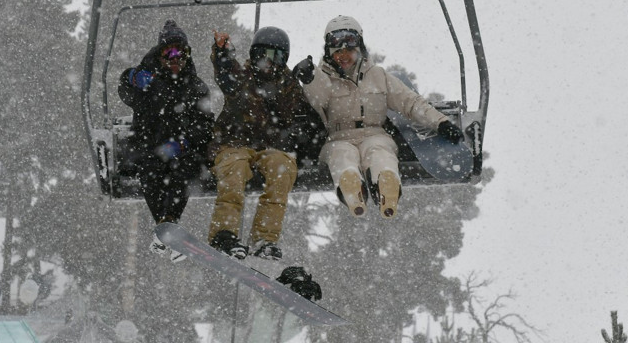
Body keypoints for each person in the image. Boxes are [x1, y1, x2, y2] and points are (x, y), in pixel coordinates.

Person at [292, 15, 464, 219]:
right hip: (338, 137)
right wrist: (309, 79)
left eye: (349, 51)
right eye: (338, 52)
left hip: (374, 133)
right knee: (341, 155)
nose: (344, 57)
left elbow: (410, 102)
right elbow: (317, 100)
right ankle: (351, 187)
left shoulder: (378, 76)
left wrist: (441, 123)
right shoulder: (322, 78)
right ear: (329, 53)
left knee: (381, 153)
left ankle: (386, 185)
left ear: (359, 48)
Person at [207, 26, 324, 260]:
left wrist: (306, 80)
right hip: (234, 143)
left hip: (269, 147)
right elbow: (225, 73)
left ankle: (264, 237)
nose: (268, 62)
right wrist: (221, 53)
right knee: (235, 170)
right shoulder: (242, 76)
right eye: (262, 54)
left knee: (283, 168)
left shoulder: (287, 84)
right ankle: (224, 233)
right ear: (253, 55)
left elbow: (302, 115)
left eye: (276, 56)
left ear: (284, 59)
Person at [118, 19, 215, 262]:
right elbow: (125, 93)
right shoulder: (148, 81)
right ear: (159, 55)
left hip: (181, 149)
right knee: (149, 169)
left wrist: (185, 142)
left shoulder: (195, 87)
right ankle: (168, 226)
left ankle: (166, 229)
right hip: (149, 146)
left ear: (187, 56)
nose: (175, 60)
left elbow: (205, 125)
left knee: (184, 168)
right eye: (169, 53)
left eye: (181, 54)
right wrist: (130, 77)